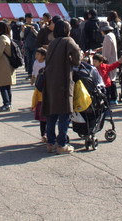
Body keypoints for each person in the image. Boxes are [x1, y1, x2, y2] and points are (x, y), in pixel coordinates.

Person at [42, 19, 81, 154]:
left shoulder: (52, 43)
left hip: (50, 80)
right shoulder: (67, 41)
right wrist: (74, 61)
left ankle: (51, 143)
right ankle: (62, 144)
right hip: (63, 80)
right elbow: (76, 52)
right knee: (64, 112)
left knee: (52, 113)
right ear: (66, 29)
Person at [99, 23, 119, 103]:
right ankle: (114, 98)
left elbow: (106, 52)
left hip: (109, 61)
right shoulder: (112, 35)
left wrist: (102, 61)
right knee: (112, 79)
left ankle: (112, 98)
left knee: (109, 80)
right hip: (114, 59)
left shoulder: (107, 37)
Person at [21, 13, 40, 77]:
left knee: (35, 59)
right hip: (27, 45)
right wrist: (23, 30)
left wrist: (34, 30)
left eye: (30, 18)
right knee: (29, 60)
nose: (28, 20)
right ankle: (30, 73)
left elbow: (38, 35)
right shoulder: (24, 25)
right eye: (27, 18)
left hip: (35, 45)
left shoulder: (36, 25)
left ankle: (35, 73)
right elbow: (21, 36)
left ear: (32, 19)